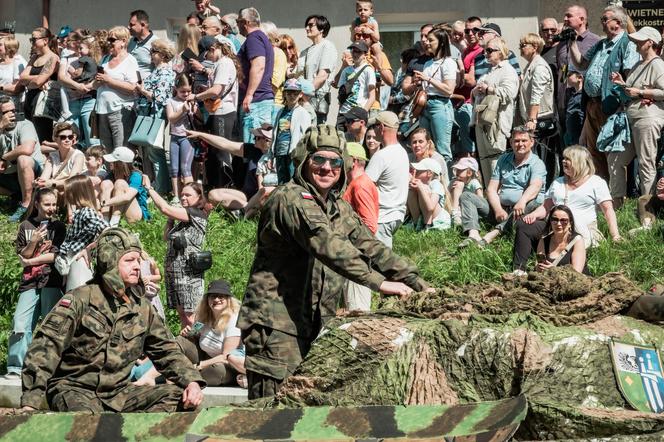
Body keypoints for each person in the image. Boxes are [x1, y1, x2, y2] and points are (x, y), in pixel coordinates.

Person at [238, 124, 434, 399]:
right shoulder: (290, 198)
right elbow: (329, 245)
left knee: (304, 414)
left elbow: (372, 247)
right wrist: (379, 283)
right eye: (319, 160)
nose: (327, 168)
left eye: (335, 162)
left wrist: (418, 283)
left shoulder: (337, 207)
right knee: (273, 415)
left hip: (314, 325)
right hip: (277, 327)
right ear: (305, 162)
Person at [20, 227, 205, 412]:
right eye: (129, 260)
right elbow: (45, 348)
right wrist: (31, 402)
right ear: (110, 262)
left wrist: (192, 382)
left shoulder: (142, 308)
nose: (137, 266)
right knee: (84, 423)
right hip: (74, 389)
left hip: (118, 394)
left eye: (138, 260)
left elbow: (167, 350)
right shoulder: (79, 300)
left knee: (180, 399)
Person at [514, 145, 621, 273]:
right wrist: (534, 215)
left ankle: (560, 269)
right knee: (524, 225)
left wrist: (615, 235)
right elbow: (546, 207)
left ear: (580, 162)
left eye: (568, 159)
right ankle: (519, 270)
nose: (563, 161)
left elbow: (608, 210)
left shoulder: (596, 182)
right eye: (563, 158)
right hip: (554, 225)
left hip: (579, 229)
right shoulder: (557, 182)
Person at [569, 5, 639, 180]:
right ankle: (600, 192)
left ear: (618, 22)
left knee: (611, 151)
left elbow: (630, 76)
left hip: (612, 106)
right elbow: (581, 64)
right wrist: (571, 42)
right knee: (594, 150)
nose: (601, 22)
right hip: (592, 104)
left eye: (605, 19)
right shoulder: (601, 43)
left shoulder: (627, 43)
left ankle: (616, 197)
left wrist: (620, 102)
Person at [5, 187, 65, 379]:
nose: (51, 208)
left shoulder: (59, 227)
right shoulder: (26, 226)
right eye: (47, 204)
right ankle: (16, 367)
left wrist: (31, 260)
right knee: (20, 323)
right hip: (30, 282)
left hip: (52, 281)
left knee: (52, 326)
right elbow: (23, 255)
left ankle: (51, 367)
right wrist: (35, 241)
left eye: (54, 204)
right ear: (37, 204)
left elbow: (55, 256)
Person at [459, 126, 546, 247]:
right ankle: (473, 234)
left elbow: (535, 187)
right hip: (501, 209)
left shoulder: (537, 163)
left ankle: (495, 232)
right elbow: (491, 189)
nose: (520, 144)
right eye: (516, 141)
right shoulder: (503, 159)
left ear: (532, 142)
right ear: (511, 143)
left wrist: (521, 201)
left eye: (524, 140)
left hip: (523, 209)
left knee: (532, 202)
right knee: (466, 196)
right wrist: (498, 209)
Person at [609, 27, 664, 205]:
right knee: (615, 158)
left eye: (640, 41)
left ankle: (648, 208)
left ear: (651, 42)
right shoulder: (638, 64)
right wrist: (622, 83)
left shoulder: (657, 64)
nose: (636, 44)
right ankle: (617, 204)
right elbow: (632, 91)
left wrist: (641, 92)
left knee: (646, 163)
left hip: (647, 118)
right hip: (631, 117)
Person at [146, 180, 208, 327]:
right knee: (182, 314)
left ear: (199, 197)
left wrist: (149, 189)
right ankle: (185, 345)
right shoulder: (182, 220)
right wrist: (170, 221)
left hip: (188, 274)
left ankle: (198, 344)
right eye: (182, 195)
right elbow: (166, 237)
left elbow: (164, 208)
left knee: (191, 316)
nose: (183, 198)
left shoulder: (196, 214)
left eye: (188, 195)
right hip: (175, 273)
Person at [188, 123, 277, 219]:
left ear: (267, 141)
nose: (254, 139)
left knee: (265, 193)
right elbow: (224, 143)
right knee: (213, 195)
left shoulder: (278, 158)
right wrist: (200, 135)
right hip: (245, 197)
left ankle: (246, 211)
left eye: (257, 137)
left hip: (265, 196)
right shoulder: (252, 149)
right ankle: (248, 209)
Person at [189, 37, 240, 189]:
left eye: (206, 55)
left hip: (223, 112)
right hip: (217, 112)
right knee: (213, 152)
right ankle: (214, 188)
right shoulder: (220, 63)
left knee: (220, 152)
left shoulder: (224, 63)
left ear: (213, 49)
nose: (207, 59)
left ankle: (224, 188)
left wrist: (197, 96)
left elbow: (217, 90)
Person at [472, 37, 519, 184]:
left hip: (496, 125)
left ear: (501, 52)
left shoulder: (508, 71)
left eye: (490, 50)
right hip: (482, 122)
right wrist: (476, 91)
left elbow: (509, 93)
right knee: (485, 161)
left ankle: (499, 201)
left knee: (495, 162)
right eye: (485, 50)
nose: (486, 53)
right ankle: (491, 201)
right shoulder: (488, 71)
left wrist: (489, 89)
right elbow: (475, 94)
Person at [135, 38, 176, 195]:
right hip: (150, 114)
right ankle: (160, 187)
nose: (151, 55)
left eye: (154, 52)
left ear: (163, 55)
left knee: (155, 152)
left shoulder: (165, 72)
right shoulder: (158, 71)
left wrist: (142, 90)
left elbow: (160, 97)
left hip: (155, 115)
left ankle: (161, 189)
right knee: (153, 152)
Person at [342, 142, 379, 311]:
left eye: (343, 158)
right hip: (352, 255)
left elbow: (370, 225)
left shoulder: (360, 185)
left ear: (354, 161)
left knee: (357, 312)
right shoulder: (356, 183)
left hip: (357, 256)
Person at [365, 111, 409, 248]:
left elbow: (364, 186)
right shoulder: (402, 152)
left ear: (382, 127)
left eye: (375, 125)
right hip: (397, 216)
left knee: (381, 263)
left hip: (382, 217)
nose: (372, 129)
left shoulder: (381, 156)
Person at [413, 27, 457, 163]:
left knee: (442, 149)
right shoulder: (428, 63)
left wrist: (428, 79)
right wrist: (419, 82)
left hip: (440, 105)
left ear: (441, 43)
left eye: (431, 40)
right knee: (425, 149)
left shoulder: (449, 62)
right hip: (425, 105)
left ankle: (446, 182)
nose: (426, 42)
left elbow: (449, 90)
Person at [93, 26, 139, 152]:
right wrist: (95, 82)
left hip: (120, 111)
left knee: (120, 150)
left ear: (123, 41)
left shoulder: (130, 61)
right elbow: (97, 83)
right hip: (102, 110)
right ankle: (110, 172)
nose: (109, 42)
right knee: (106, 149)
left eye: (112, 39)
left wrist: (109, 80)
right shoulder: (105, 59)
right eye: (108, 39)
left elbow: (133, 88)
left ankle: (122, 172)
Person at [0, 96, 45, 222]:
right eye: (5, 112)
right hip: (10, 175)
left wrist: (4, 158)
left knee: (23, 159)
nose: (11, 115)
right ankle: (15, 196)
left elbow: (27, 149)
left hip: (34, 174)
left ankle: (26, 204)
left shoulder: (25, 124)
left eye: (13, 111)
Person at [237, 7, 274, 143]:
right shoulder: (260, 37)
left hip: (256, 102)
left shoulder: (254, 38)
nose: (237, 25)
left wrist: (249, 94)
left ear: (245, 22)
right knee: (259, 147)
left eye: (238, 21)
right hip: (260, 101)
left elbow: (258, 65)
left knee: (253, 149)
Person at [555, 5, 600, 119]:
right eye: (565, 16)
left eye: (569, 16)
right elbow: (562, 69)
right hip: (562, 102)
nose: (565, 19)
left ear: (582, 20)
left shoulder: (595, 42)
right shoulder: (562, 43)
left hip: (583, 102)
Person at [57, 31, 97, 149]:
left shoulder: (89, 59)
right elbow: (61, 78)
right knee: (73, 136)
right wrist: (77, 86)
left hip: (88, 100)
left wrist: (77, 83)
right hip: (73, 100)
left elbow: (77, 74)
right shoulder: (67, 56)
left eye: (68, 41)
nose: (65, 43)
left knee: (91, 137)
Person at [19, 27, 60, 143]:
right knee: (28, 135)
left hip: (42, 103)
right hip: (30, 100)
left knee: (41, 136)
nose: (32, 42)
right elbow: (22, 78)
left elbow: (38, 82)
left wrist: (33, 81)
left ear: (45, 41)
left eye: (34, 39)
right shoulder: (34, 57)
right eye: (31, 39)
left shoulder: (53, 57)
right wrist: (38, 80)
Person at [296, 15, 338, 125]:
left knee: (315, 135)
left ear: (321, 29)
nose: (306, 28)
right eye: (306, 25)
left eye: (310, 25)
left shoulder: (327, 46)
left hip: (316, 99)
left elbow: (322, 76)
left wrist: (304, 96)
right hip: (302, 98)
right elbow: (297, 75)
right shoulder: (305, 51)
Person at [453, 17, 484, 155]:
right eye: (467, 30)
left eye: (475, 30)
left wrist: (450, 75)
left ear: (481, 31)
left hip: (470, 104)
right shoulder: (466, 52)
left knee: (470, 149)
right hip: (460, 103)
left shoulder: (481, 52)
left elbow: (471, 81)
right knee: (462, 149)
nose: (471, 33)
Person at [272, 78, 312, 184]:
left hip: (293, 153)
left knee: (292, 181)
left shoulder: (303, 113)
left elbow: (306, 135)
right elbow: (275, 133)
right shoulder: (281, 111)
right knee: (281, 181)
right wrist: (271, 152)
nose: (292, 96)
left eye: (295, 93)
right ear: (284, 94)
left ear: (300, 94)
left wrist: (301, 153)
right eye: (289, 93)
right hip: (280, 151)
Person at [99, 146, 150, 225]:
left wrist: (104, 203)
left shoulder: (136, 176)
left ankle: (114, 223)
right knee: (106, 183)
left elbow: (127, 197)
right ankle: (104, 223)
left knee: (120, 183)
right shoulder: (112, 174)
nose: (110, 163)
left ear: (121, 164)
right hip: (115, 210)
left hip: (136, 215)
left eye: (113, 161)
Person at [166, 73, 196, 202]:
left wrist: (194, 109)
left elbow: (198, 118)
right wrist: (182, 110)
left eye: (188, 91)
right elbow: (171, 118)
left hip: (187, 138)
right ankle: (177, 196)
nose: (186, 94)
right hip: (174, 137)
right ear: (175, 89)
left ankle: (191, 196)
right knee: (174, 169)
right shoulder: (171, 101)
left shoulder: (192, 101)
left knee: (185, 168)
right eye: (182, 91)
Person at [534, 204, 588, 274]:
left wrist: (554, 271)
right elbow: (537, 266)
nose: (559, 224)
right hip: (550, 282)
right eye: (555, 219)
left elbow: (577, 273)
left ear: (570, 223)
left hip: (577, 283)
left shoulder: (577, 240)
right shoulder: (543, 241)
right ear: (550, 222)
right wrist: (538, 268)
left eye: (564, 220)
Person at [334, 41, 375, 127]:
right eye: (353, 51)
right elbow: (341, 93)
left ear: (365, 54)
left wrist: (363, 113)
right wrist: (340, 112)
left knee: (356, 139)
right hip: (343, 113)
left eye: (358, 51)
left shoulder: (368, 70)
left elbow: (372, 96)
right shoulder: (346, 70)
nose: (355, 54)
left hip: (357, 114)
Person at [34, 122, 85, 191]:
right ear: (55, 139)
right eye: (63, 137)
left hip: (73, 192)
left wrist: (53, 183)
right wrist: (38, 182)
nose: (67, 140)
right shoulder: (52, 156)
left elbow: (73, 181)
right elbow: (44, 177)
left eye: (70, 137)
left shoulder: (78, 156)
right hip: (57, 190)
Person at [407, 158, 451, 231]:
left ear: (429, 173)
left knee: (425, 190)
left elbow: (430, 207)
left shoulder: (436, 184)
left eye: (418, 170)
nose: (415, 171)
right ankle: (417, 224)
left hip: (438, 221)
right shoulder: (423, 185)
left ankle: (426, 225)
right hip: (423, 216)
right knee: (411, 190)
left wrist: (421, 188)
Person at [448, 156, 483, 226]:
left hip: (470, 208)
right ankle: (455, 215)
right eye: (456, 169)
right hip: (456, 207)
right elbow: (447, 195)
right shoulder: (454, 181)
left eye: (460, 170)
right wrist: (450, 188)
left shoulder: (474, 183)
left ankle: (458, 218)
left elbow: (481, 199)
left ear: (469, 173)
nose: (457, 172)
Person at [127, 10, 158, 79]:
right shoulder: (130, 42)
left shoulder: (156, 43)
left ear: (143, 25)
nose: (128, 27)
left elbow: (162, 69)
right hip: (128, 86)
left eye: (132, 24)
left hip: (146, 87)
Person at [0, 36, 26, 109]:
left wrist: (1, 87)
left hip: (11, 104)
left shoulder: (18, 62)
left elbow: (17, 88)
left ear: (9, 47)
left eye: (0, 45)